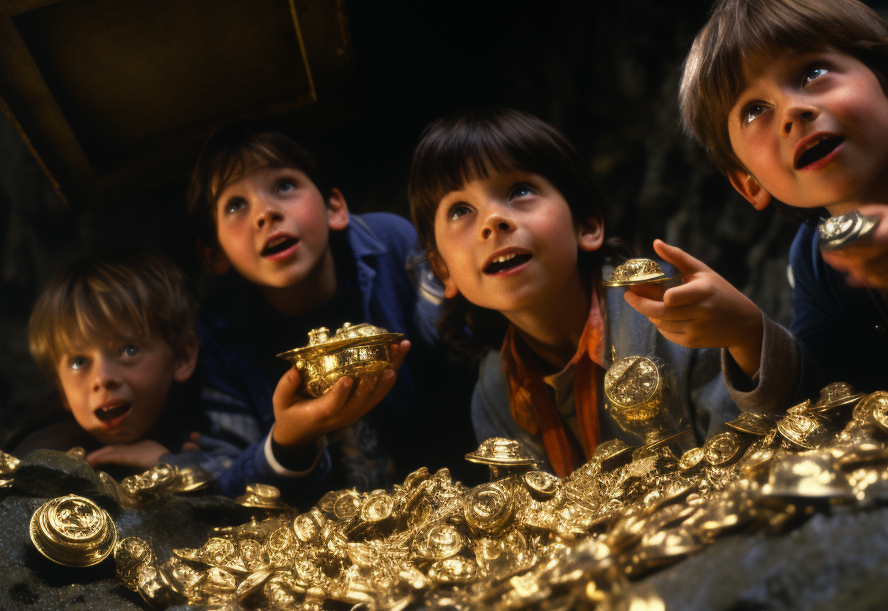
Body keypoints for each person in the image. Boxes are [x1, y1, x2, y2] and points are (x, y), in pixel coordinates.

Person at [627, 0, 888, 422]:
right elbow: (834, 402)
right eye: (755, 109)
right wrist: (747, 333)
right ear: (750, 184)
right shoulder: (815, 259)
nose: (792, 112)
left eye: (812, 74)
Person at [407, 107, 736, 476]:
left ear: (588, 225)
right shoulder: (492, 395)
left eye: (520, 191)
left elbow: (750, 448)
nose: (492, 220)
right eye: (460, 210)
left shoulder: (667, 309)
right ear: (442, 271)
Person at [189, 126, 475, 496]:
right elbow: (221, 486)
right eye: (235, 205)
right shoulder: (214, 335)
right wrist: (287, 442)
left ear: (335, 208)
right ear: (214, 255)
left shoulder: (391, 244)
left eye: (284, 186)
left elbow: (467, 352)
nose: (265, 213)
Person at [15, 251, 217, 470]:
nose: (102, 378)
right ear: (62, 390)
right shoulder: (44, 461)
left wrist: (178, 465)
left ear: (182, 357)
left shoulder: (212, 420)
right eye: (78, 362)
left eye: (130, 350)